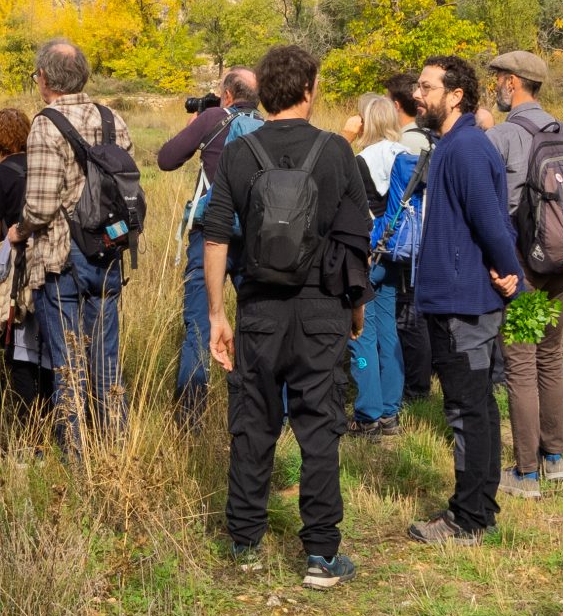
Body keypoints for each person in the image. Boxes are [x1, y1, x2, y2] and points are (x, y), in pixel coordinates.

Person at [203, 44, 370, 588]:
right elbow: (354, 239)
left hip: (258, 311)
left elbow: (215, 236)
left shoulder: (238, 152)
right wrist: (356, 307)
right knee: (320, 428)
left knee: (253, 424)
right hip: (322, 309)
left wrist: (215, 313)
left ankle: (245, 540)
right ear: (308, 90)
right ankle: (322, 554)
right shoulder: (336, 152)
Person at [404, 55, 523, 546]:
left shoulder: (468, 147)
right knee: (475, 407)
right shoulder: (452, 144)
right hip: (454, 296)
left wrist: (510, 270)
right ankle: (479, 510)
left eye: (427, 86)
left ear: (456, 95)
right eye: (418, 85)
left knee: (467, 410)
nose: (418, 93)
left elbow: (491, 220)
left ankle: (468, 519)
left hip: (463, 302)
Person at [16, 38, 136, 454]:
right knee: (105, 355)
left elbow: (41, 205)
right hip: (107, 249)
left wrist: (19, 229)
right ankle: (115, 443)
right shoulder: (113, 119)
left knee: (68, 362)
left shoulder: (45, 124)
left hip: (60, 257)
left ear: (45, 78)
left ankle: (77, 450)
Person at [483, 50, 563, 496]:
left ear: (511, 82)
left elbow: (492, 207)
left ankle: (525, 474)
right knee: (551, 354)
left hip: (522, 265)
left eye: (498, 82)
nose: (496, 89)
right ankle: (555, 459)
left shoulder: (502, 136)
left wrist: (497, 263)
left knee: (521, 363)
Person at [157, 66, 259, 421]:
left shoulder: (215, 117)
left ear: (228, 94)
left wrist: (197, 128)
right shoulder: (269, 125)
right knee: (258, 324)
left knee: (200, 325)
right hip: (255, 238)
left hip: (208, 233)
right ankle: (261, 412)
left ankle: (190, 418)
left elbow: (166, 159)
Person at [0, 107, 55, 419]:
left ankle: (28, 433)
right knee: (48, 353)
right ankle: (51, 427)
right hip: (53, 270)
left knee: (18, 354)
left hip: (16, 278)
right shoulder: (45, 166)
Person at [347, 91, 411, 436]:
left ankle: (367, 413)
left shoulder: (361, 160)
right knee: (389, 331)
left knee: (360, 333)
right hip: (397, 253)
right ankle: (390, 411)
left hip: (368, 255)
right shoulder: (407, 155)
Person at [386, 72, 438, 404]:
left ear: (394, 105)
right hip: (429, 235)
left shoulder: (407, 142)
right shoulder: (430, 135)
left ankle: (416, 387)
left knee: (409, 314)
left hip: (410, 240)